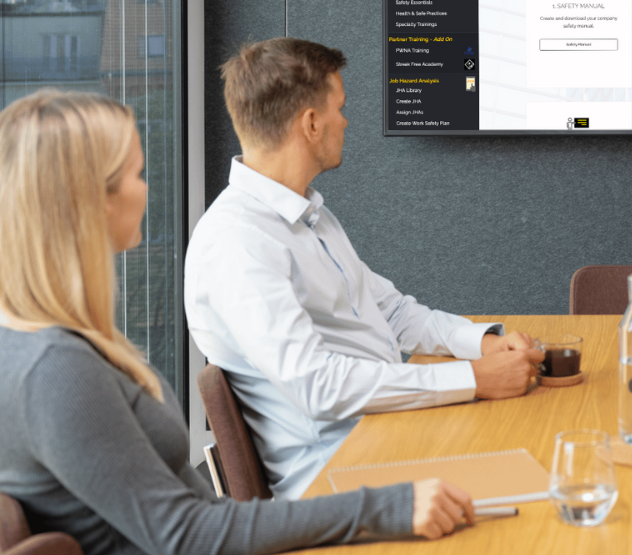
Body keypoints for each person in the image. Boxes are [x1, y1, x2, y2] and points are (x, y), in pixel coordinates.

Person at [0, 90, 476, 554]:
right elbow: (187, 537)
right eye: (137, 173)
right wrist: (384, 508)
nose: (147, 187)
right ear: (91, 200)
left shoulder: (44, 344)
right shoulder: (55, 369)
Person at [185, 38, 542, 500]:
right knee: (544, 486)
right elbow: (318, 387)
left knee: (539, 452)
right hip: (340, 475)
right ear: (311, 124)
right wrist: (473, 380)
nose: (346, 121)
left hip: (385, 436)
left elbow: (391, 312)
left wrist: (481, 344)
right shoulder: (237, 242)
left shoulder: (308, 215)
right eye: (340, 107)